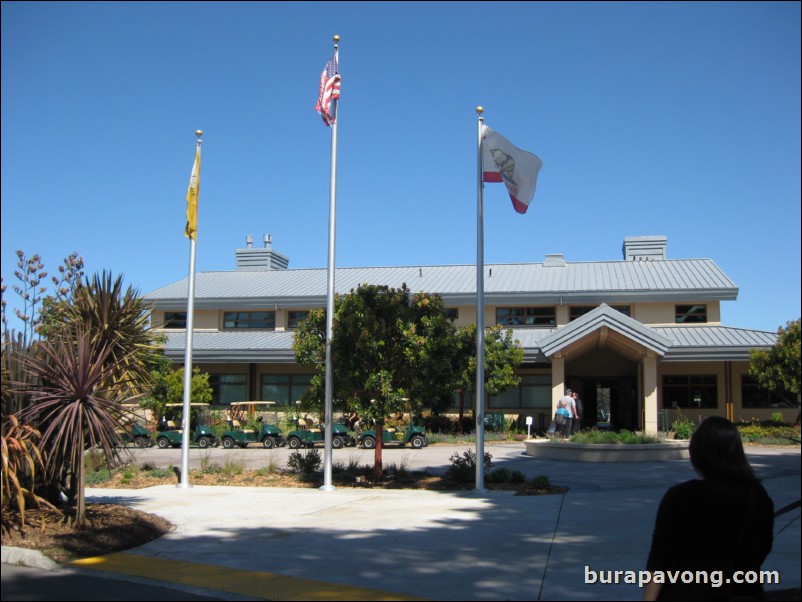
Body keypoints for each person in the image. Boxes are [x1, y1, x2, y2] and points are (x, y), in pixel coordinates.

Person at [643, 416, 774, 601]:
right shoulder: (757, 496)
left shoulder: (679, 497)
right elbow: (763, 547)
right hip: (741, 591)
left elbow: (658, 561)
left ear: (697, 452)